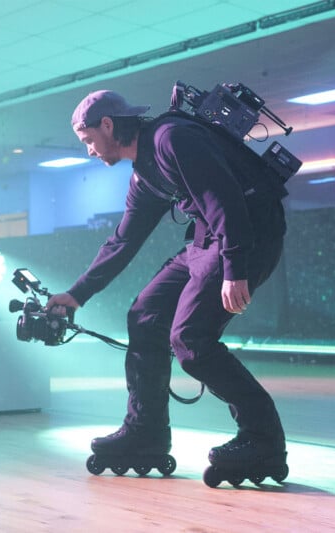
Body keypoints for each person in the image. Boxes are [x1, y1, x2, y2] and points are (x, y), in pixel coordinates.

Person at [46, 89, 289, 476]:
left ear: (107, 125)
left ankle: (263, 440)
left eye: (89, 140)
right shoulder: (145, 173)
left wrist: (235, 268)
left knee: (191, 339)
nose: (89, 151)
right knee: (145, 316)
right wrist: (77, 295)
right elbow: (124, 240)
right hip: (207, 240)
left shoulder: (171, 139)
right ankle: (145, 433)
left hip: (248, 237)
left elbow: (224, 200)